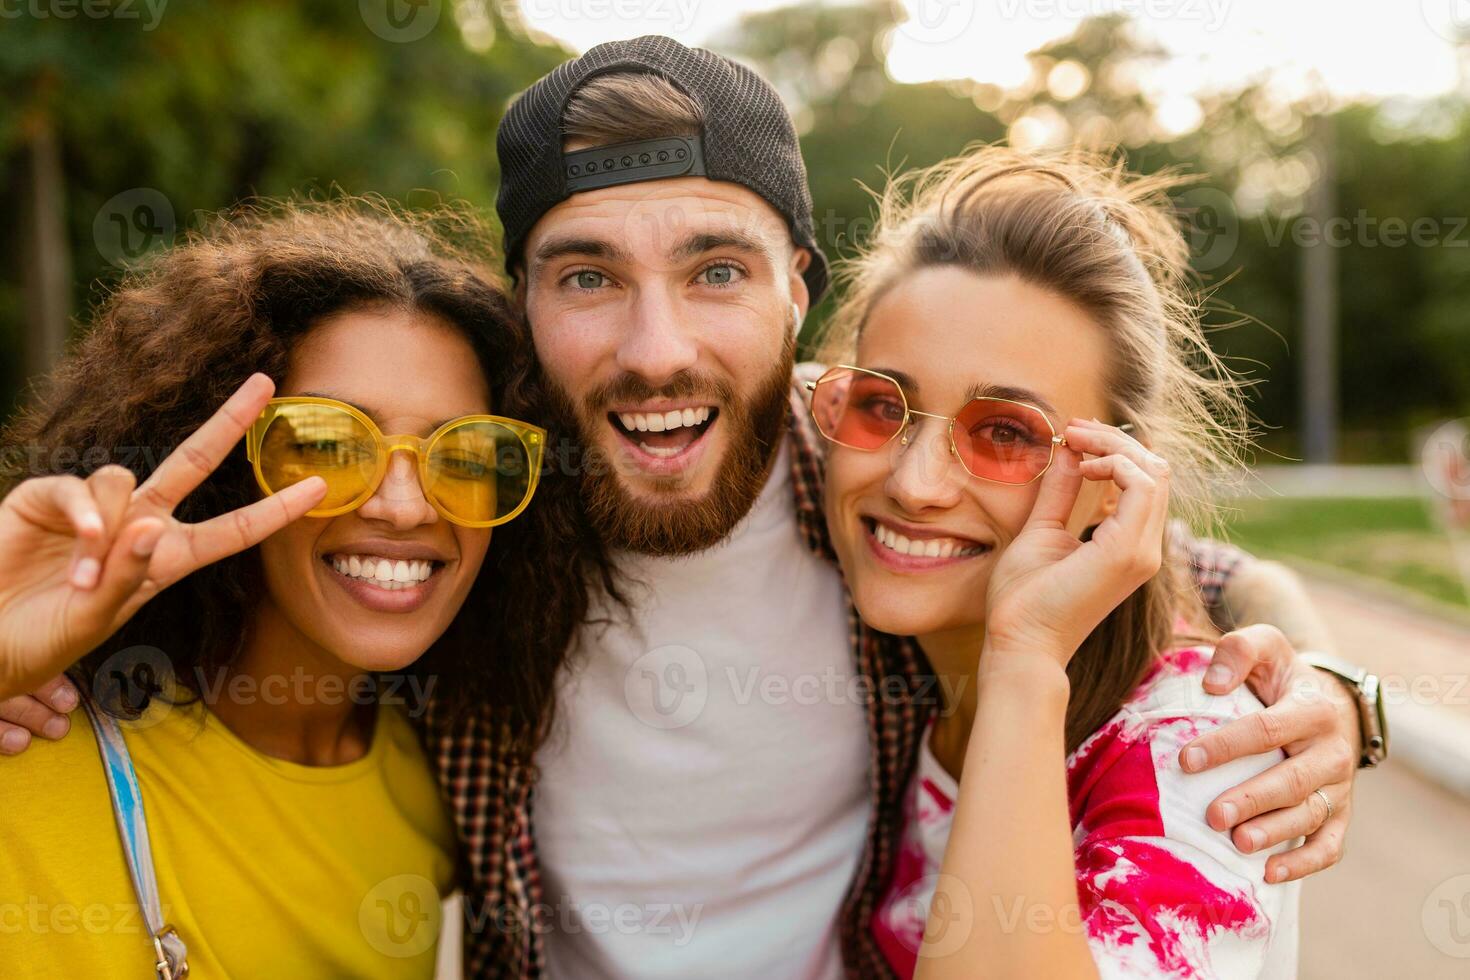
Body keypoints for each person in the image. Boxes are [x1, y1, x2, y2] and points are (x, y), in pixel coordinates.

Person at [0, 37, 1379, 979]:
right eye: (587, 276)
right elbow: (258, 588)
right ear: (526, 305)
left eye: (714, 270)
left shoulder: (877, 477)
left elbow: (1155, 545)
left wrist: (1321, 678)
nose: (653, 347)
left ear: (799, 293)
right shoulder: (471, 503)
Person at [0, 201, 600, 976]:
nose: (403, 505)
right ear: (223, 464)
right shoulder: (29, 732)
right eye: (326, 441)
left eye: (469, 454)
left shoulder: (438, 793)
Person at [807, 145, 1311, 978]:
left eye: (1005, 432)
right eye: (882, 405)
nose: (914, 482)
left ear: (1117, 487)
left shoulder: (1198, 753)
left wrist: (1027, 659)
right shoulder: (904, 668)